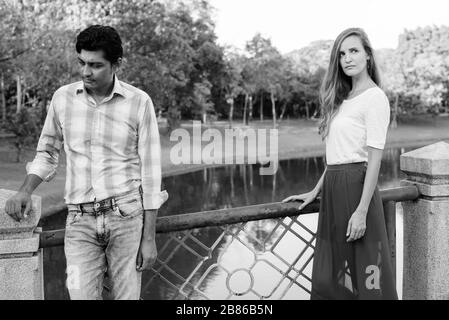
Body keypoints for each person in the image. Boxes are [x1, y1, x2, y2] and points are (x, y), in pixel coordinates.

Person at [5, 25, 168, 300]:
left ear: (117, 64)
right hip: (79, 220)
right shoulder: (63, 98)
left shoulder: (139, 102)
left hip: (126, 216)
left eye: (95, 65)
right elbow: (47, 152)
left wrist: (149, 238)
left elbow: (151, 173)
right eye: (81, 62)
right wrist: (25, 190)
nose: (85, 72)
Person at [283, 28, 397, 300]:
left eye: (354, 51)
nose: (347, 58)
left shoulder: (375, 98)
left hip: (357, 191)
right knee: (330, 277)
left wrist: (361, 211)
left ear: (368, 56)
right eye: (342, 53)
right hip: (334, 189)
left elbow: (374, 159)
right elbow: (337, 155)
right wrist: (315, 191)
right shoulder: (342, 99)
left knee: (368, 278)